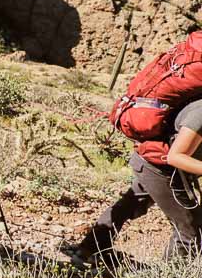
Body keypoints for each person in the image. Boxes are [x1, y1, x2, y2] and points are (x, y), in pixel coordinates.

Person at [72, 97, 202, 261]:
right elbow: (175, 157)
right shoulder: (200, 113)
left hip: (155, 162)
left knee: (131, 204)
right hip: (158, 167)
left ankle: (90, 249)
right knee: (191, 228)